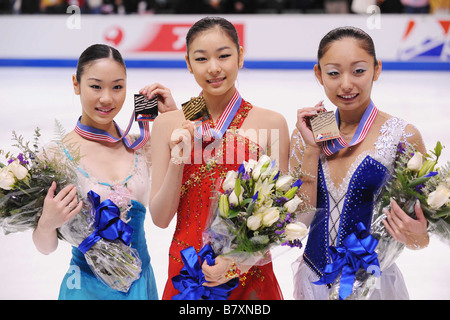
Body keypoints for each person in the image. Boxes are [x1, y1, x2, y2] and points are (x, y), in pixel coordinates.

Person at [148, 16, 289, 300]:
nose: (214, 68)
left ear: (240, 56)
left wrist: (236, 261)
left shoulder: (271, 123)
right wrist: (178, 161)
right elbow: (160, 218)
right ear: (188, 63)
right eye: (201, 59)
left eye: (224, 55)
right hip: (187, 271)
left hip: (250, 279)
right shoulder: (168, 125)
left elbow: (279, 218)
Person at [290, 26, 429, 300]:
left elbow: (421, 237)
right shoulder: (308, 132)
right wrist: (309, 148)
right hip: (312, 282)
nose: (346, 84)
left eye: (358, 71)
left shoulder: (403, 136)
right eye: (333, 73)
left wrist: (416, 234)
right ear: (318, 74)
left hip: (374, 287)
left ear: (376, 70)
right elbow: (298, 220)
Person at [32, 44, 177, 299]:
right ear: (76, 84)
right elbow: (44, 248)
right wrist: (46, 224)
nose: (107, 98)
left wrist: (174, 117)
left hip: (139, 285)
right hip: (85, 288)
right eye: (96, 86)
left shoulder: (143, 147)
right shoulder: (54, 156)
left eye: (117, 86)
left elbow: (207, 158)